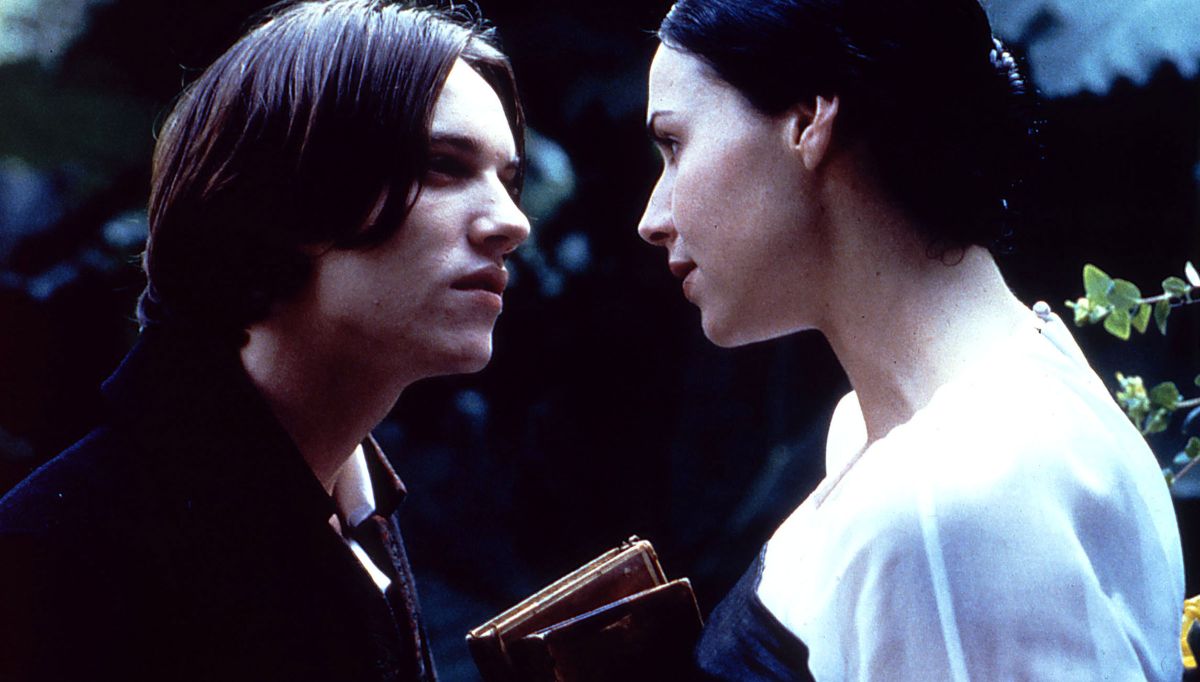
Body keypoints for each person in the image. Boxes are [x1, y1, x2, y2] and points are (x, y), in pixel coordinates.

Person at [637, 0, 1185, 679]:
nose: (652, 218)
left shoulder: (950, 498)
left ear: (808, 120)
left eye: (674, 144)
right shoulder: (944, 420)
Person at [0, 1, 529, 680]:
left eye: (509, 180)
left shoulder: (350, 502)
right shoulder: (58, 557)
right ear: (283, 192)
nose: (512, 222)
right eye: (443, 165)